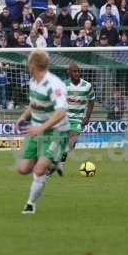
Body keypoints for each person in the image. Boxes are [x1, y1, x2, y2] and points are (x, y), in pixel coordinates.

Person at [15, 50, 70, 214]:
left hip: (55, 131)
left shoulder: (54, 84)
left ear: (33, 65)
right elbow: (33, 104)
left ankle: (30, 204)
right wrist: (23, 116)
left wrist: (40, 128)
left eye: (28, 62)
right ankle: (53, 162)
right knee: (23, 169)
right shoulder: (33, 81)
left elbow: (61, 112)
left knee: (39, 170)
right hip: (36, 129)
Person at [55, 63, 95, 175]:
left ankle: (59, 162)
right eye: (74, 71)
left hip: (77, 118)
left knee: (72, 140)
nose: (77, 73)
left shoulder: (87, 86)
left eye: (78, 71)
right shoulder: (63, 85)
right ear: (69, 73)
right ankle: (57, 163)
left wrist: (87, 117)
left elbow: (91, 101)